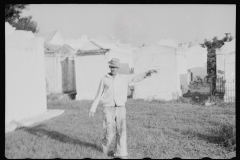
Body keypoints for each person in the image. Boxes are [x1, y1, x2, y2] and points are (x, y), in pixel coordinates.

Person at [88, 58, 158, 159]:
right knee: (110, 132)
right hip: (108, 108)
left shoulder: (124, 78)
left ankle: (120, 153)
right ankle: (105, 146)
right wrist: (93, 108)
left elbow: (136, 77)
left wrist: (147, 73)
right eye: (112, 67)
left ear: (118, 68)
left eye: (115, 67)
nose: (113, 69)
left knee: (121, 131)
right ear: (109, 67)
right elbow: (98, 94)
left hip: (120, 108)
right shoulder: (104, 79)